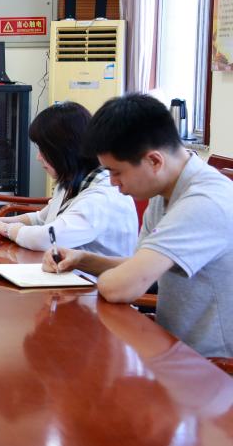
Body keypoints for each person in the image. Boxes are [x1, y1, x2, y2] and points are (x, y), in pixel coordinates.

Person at [46, 93, 233, 358]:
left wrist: (114, 278)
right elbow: (139, 265)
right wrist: (82, 259)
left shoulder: (203, 202)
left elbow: (121, 286)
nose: (113, 183)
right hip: (169, 346)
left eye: (116, 172)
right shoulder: (166, 190)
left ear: (154, 161)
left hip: (211, 366)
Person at [0, 102, 137, 257]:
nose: (38, 158)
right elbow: (41, 218)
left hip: (91, 281)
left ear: (65, 151)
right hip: (64, 272)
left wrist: (6, 229)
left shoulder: (102, 196)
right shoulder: (71, 180)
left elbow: (47, 238)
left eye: (44, 150)